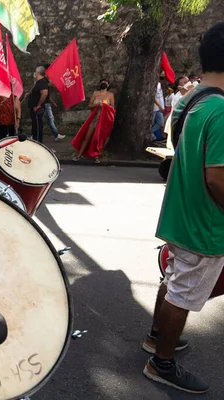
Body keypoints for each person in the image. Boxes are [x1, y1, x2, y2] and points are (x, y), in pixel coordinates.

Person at [143, 21, 224, 394]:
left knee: (174, 279)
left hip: (181, 214)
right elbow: (217, 178)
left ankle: (157, 337)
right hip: (204, 222)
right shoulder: (221, 111)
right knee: (183, 291)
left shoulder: (193, 99)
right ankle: (162, 362)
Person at [72, 78, 116, 163]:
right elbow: (89, 105)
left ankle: (95, 156)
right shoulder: (95, 94)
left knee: (97, 138)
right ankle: (79, 154)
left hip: (103, 120)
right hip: (94, 118)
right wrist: (97, 105)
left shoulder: (110, 95)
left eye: (105, 83)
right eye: (102, 82)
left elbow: (112, 108)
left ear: (108, 85)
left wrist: (105, 106)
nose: (103, 84)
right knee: (87, 136)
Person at [25, 66, 49, 143]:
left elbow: (44, 93)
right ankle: (36, 140)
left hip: (37, 108)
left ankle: (38, 142)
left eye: (35, 71)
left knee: (38, 126)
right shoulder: (38, 82)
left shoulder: (42, 82)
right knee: (35, 125)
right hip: (34, 107)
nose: (35, 73)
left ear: (38, 73)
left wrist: (38, 105)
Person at [42, 63, 65, 141]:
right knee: (50, 118)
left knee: (44, 119)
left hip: (46, 102)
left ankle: (34, 133)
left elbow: (47, 93)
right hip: (44, 102)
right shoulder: (43, 79)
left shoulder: (45, 79)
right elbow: (52, 85)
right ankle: (56, 135)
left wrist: (52, 102)